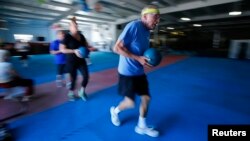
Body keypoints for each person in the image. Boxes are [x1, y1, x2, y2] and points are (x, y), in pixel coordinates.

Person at [110, 5, 160, 137]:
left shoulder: (147, 31)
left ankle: (141, 126)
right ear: (144, 16)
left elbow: (140, 52)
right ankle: (115, 111)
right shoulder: (134, 26)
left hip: (139, 72)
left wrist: (147, 61)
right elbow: (117, 48)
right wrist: (138, 58)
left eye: (158, 18)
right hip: (127, 73)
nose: (157, 21)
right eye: (155, 17)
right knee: (130, 103)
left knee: (146, 98)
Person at [60, 17, 90, 101]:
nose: (76, 26)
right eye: (73, 25)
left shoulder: (82, 36)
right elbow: (62, 49)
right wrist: (74, 51)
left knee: (86, 76)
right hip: (71, 61)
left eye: (76, 24)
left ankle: (82, 91)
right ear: (70, 27)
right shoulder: (67, 37)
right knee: (73, 79)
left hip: (81, 60)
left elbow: (86, 46)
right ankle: (71, 93)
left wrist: (87, 50)